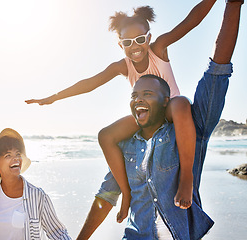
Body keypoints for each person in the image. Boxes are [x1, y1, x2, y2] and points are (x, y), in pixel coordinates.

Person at [26, 0, 217, 221]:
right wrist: (55, 97)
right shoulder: (122, 66)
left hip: (170, 110)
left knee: (182, 102)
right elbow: (91, 83)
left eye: (139, 39)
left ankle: (186, 177)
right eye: (128, 42)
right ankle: (126, 194)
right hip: (147, 117)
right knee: (106, 135)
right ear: (120, 45)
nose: (134, 46)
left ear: (148, 38)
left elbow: (190, 22)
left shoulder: (159, 49)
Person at [76, 1, 243, 239]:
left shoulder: (190, 132)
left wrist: (233, 5)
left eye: (147, 94)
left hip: (180, 232)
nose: (138, 99)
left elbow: (218, 68)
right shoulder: (128, 146)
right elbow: (106, 195)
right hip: (135, 235)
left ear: (165, 101)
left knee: (187, 100)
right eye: (134, 94)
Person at [0, 128, 71, 240]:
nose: (16, 159)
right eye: (8, 155)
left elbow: (58, 233)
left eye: (18, 154)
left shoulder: (37, 196)